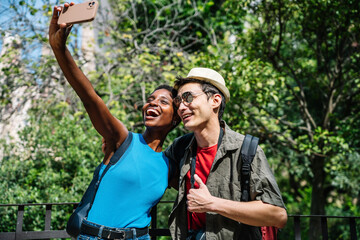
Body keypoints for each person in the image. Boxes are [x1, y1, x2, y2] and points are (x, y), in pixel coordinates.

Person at [49, 3, 179, 240]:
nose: (152, 104)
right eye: (150, 100)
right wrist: (59, 49)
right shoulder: (123, 139)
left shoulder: (170, 167)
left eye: (163, 102)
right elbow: (90, 97)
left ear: (177, 117)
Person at [165, 67, 288, 239]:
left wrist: (212, 204)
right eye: (178, 101)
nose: (181, 107)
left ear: (215, 100)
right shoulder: (180, 147)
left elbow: (278, 215)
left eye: (188, 98)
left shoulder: (246, 149)